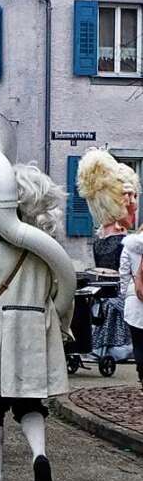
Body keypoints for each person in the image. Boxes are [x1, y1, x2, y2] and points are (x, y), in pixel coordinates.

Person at [0, 164, 70, 481]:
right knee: (30, 402)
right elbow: (60, 291)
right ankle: (39, 454)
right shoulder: (48, 249)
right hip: (36, 328)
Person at [77, 149, 140, 363]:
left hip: (104, 296)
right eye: (128, 196)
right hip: (119, 296)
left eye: (134, 196)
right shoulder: (124, 240)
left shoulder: (101, 237)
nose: (133, 203)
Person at [120, 231, 143, 390]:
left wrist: (124, 294)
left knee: (139, 343)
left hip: (134, 299)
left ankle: (142, 376)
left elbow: (124, 272)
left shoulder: (130, 246)